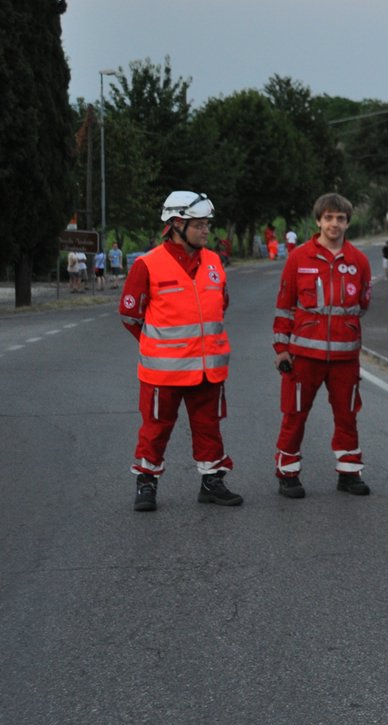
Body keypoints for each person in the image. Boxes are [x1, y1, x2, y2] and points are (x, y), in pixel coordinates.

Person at [121, 190, 242, 511]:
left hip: (207, 369)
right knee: (155, 430)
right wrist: (155, 345)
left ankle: (211, 481)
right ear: (176, 225)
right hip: (164, 371)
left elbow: (221, 304)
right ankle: (146, 483)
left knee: (209, 427)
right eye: (199, 224)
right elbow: (130, 315)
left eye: (207, 224)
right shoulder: (147, 265)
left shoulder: (215, 261)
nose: (206, 230)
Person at [272, 193, 372, 498]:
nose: (334, 224)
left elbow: (362, 304)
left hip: (345, 357)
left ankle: (349, 472)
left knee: (347, 415)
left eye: (340, 218)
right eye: (328, 218)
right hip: (304, 356)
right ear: (318, 221)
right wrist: (281, 349)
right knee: (295, 413)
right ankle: (288, 472)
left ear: (347, 223)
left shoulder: (359, 261)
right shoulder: (299, 257)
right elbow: (284, 306)